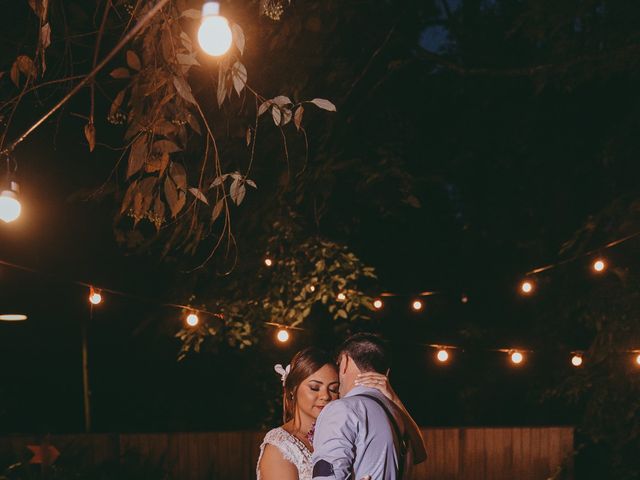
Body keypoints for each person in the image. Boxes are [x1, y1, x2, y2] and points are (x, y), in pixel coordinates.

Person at [257, 346, 420, 480]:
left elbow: (419, 454)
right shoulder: (280, 447)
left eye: (334, 389)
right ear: (292, 390)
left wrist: (392, 399)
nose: (325, 396)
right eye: (314, 387)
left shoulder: (345, 429)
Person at [311, 333, 427, 480]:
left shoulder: (342, 409)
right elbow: (420, 455)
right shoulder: (397, 417)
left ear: (345, 362)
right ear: (387, 372)